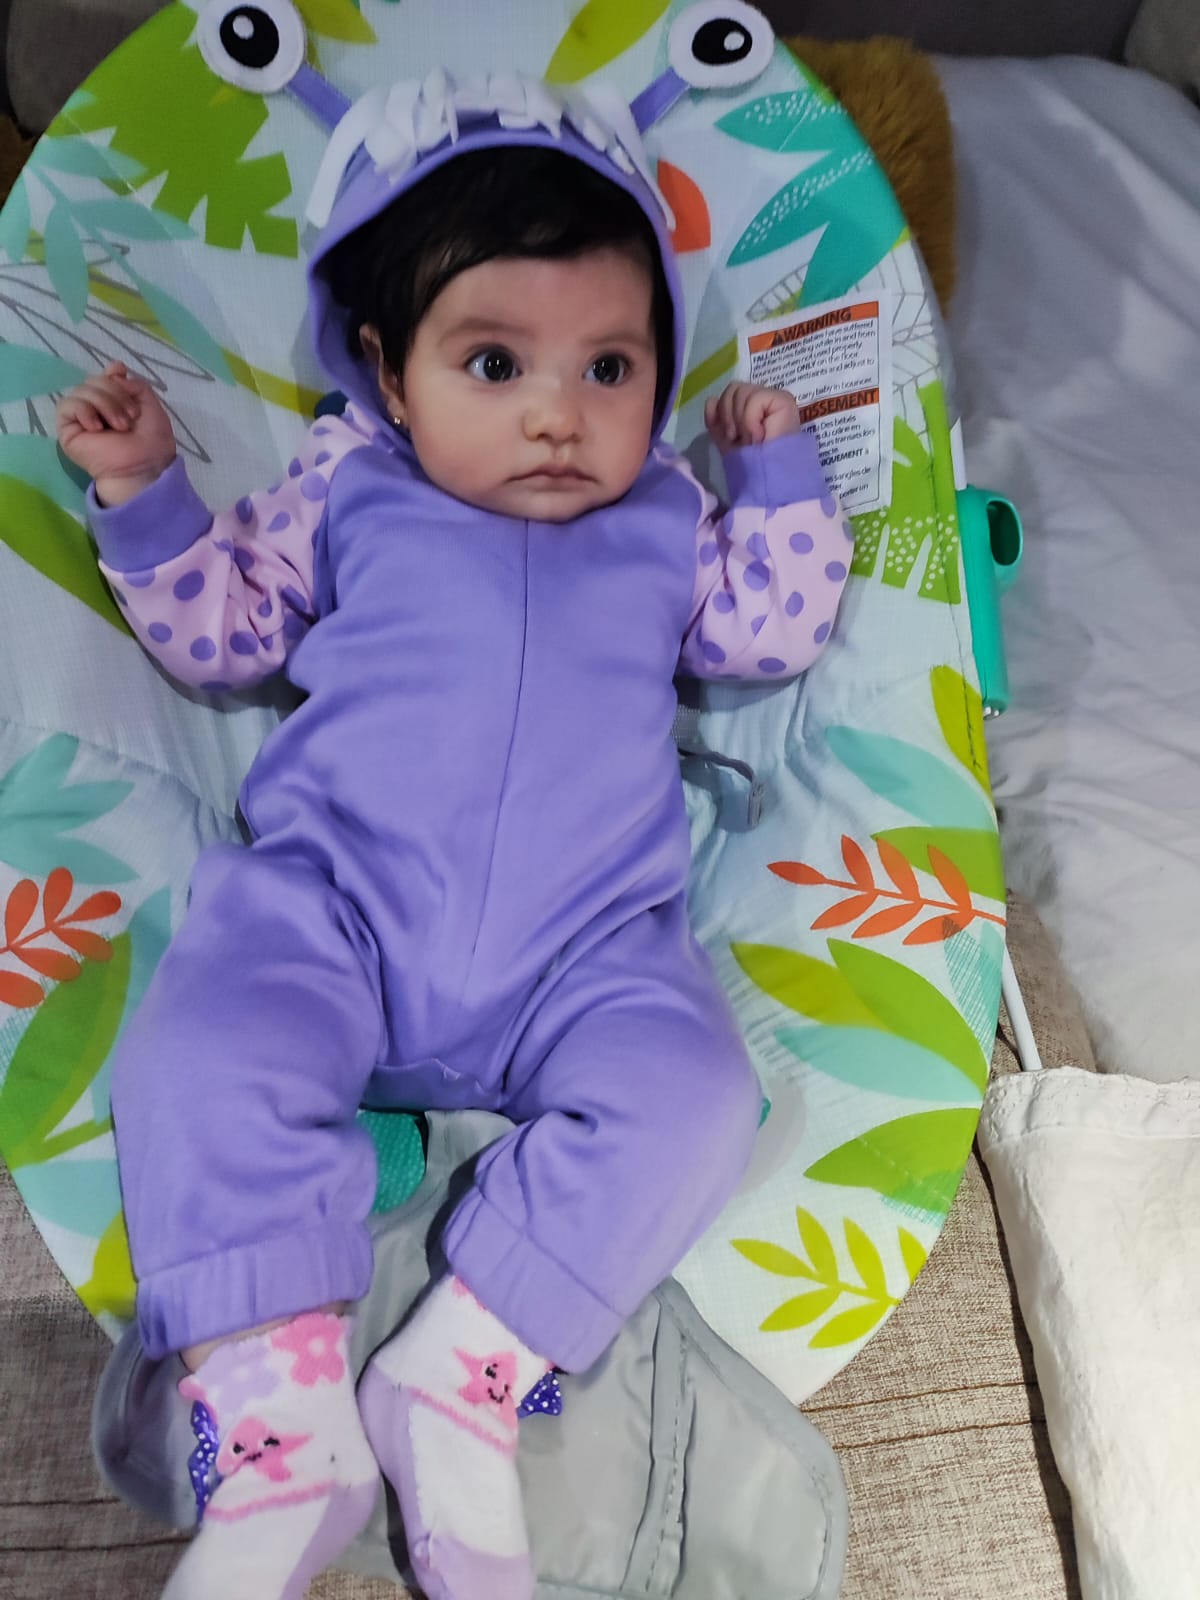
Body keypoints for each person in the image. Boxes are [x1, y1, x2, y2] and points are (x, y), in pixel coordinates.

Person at [55, 73, 851, 1600]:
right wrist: (146, 493)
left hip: (588, 958)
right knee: (196, 1054)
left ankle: (465, 1372)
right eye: (495, 362)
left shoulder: (667, 513)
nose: (558, 412)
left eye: (610, 366)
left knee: (699, 1096)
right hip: (337, 912)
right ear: (391, 374)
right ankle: (279, 1425)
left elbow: (771, 629)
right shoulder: (349, 487)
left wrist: (775, 477)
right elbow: (225, 637)